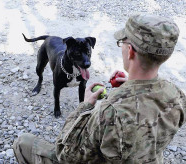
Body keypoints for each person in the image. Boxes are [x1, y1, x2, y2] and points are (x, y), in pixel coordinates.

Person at [13, 14, 186, 164]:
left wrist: (85, 106)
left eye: (121, 43)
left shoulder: (107, 112)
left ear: (130, 51)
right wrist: (134, 86)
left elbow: (68, 155)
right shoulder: (178, 96)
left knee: (22, 142)